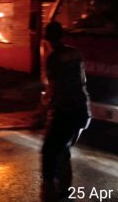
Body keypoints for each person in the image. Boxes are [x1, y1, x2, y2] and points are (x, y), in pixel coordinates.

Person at [41, 21, 91, 199]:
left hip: (65, 112)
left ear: (48, 39)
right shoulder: (75, 53)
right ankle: (65, 191)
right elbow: (82, 80)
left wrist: (45, 107)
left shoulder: (52, 59)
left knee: (49, 152)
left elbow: (53, 88)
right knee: (64, 149)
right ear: (62, 36)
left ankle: (49, 193)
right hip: (82, 110)